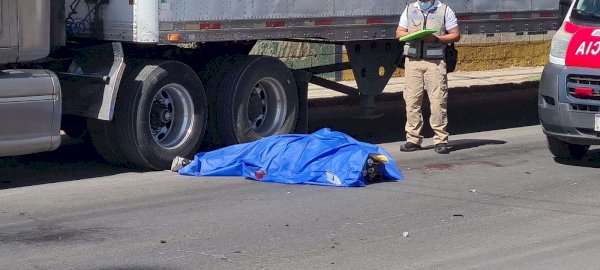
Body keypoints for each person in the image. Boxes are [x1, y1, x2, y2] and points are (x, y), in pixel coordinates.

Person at [396, 0, 461, 154]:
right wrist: (410, 35)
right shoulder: (409, 9)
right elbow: (399, 32)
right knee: (412, 101)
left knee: (438, 101)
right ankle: (413, 139)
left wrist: (436, 39)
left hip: (435, 63)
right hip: (413, 62)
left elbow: (455, 35)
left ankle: (440, 140)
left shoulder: (445, 10)